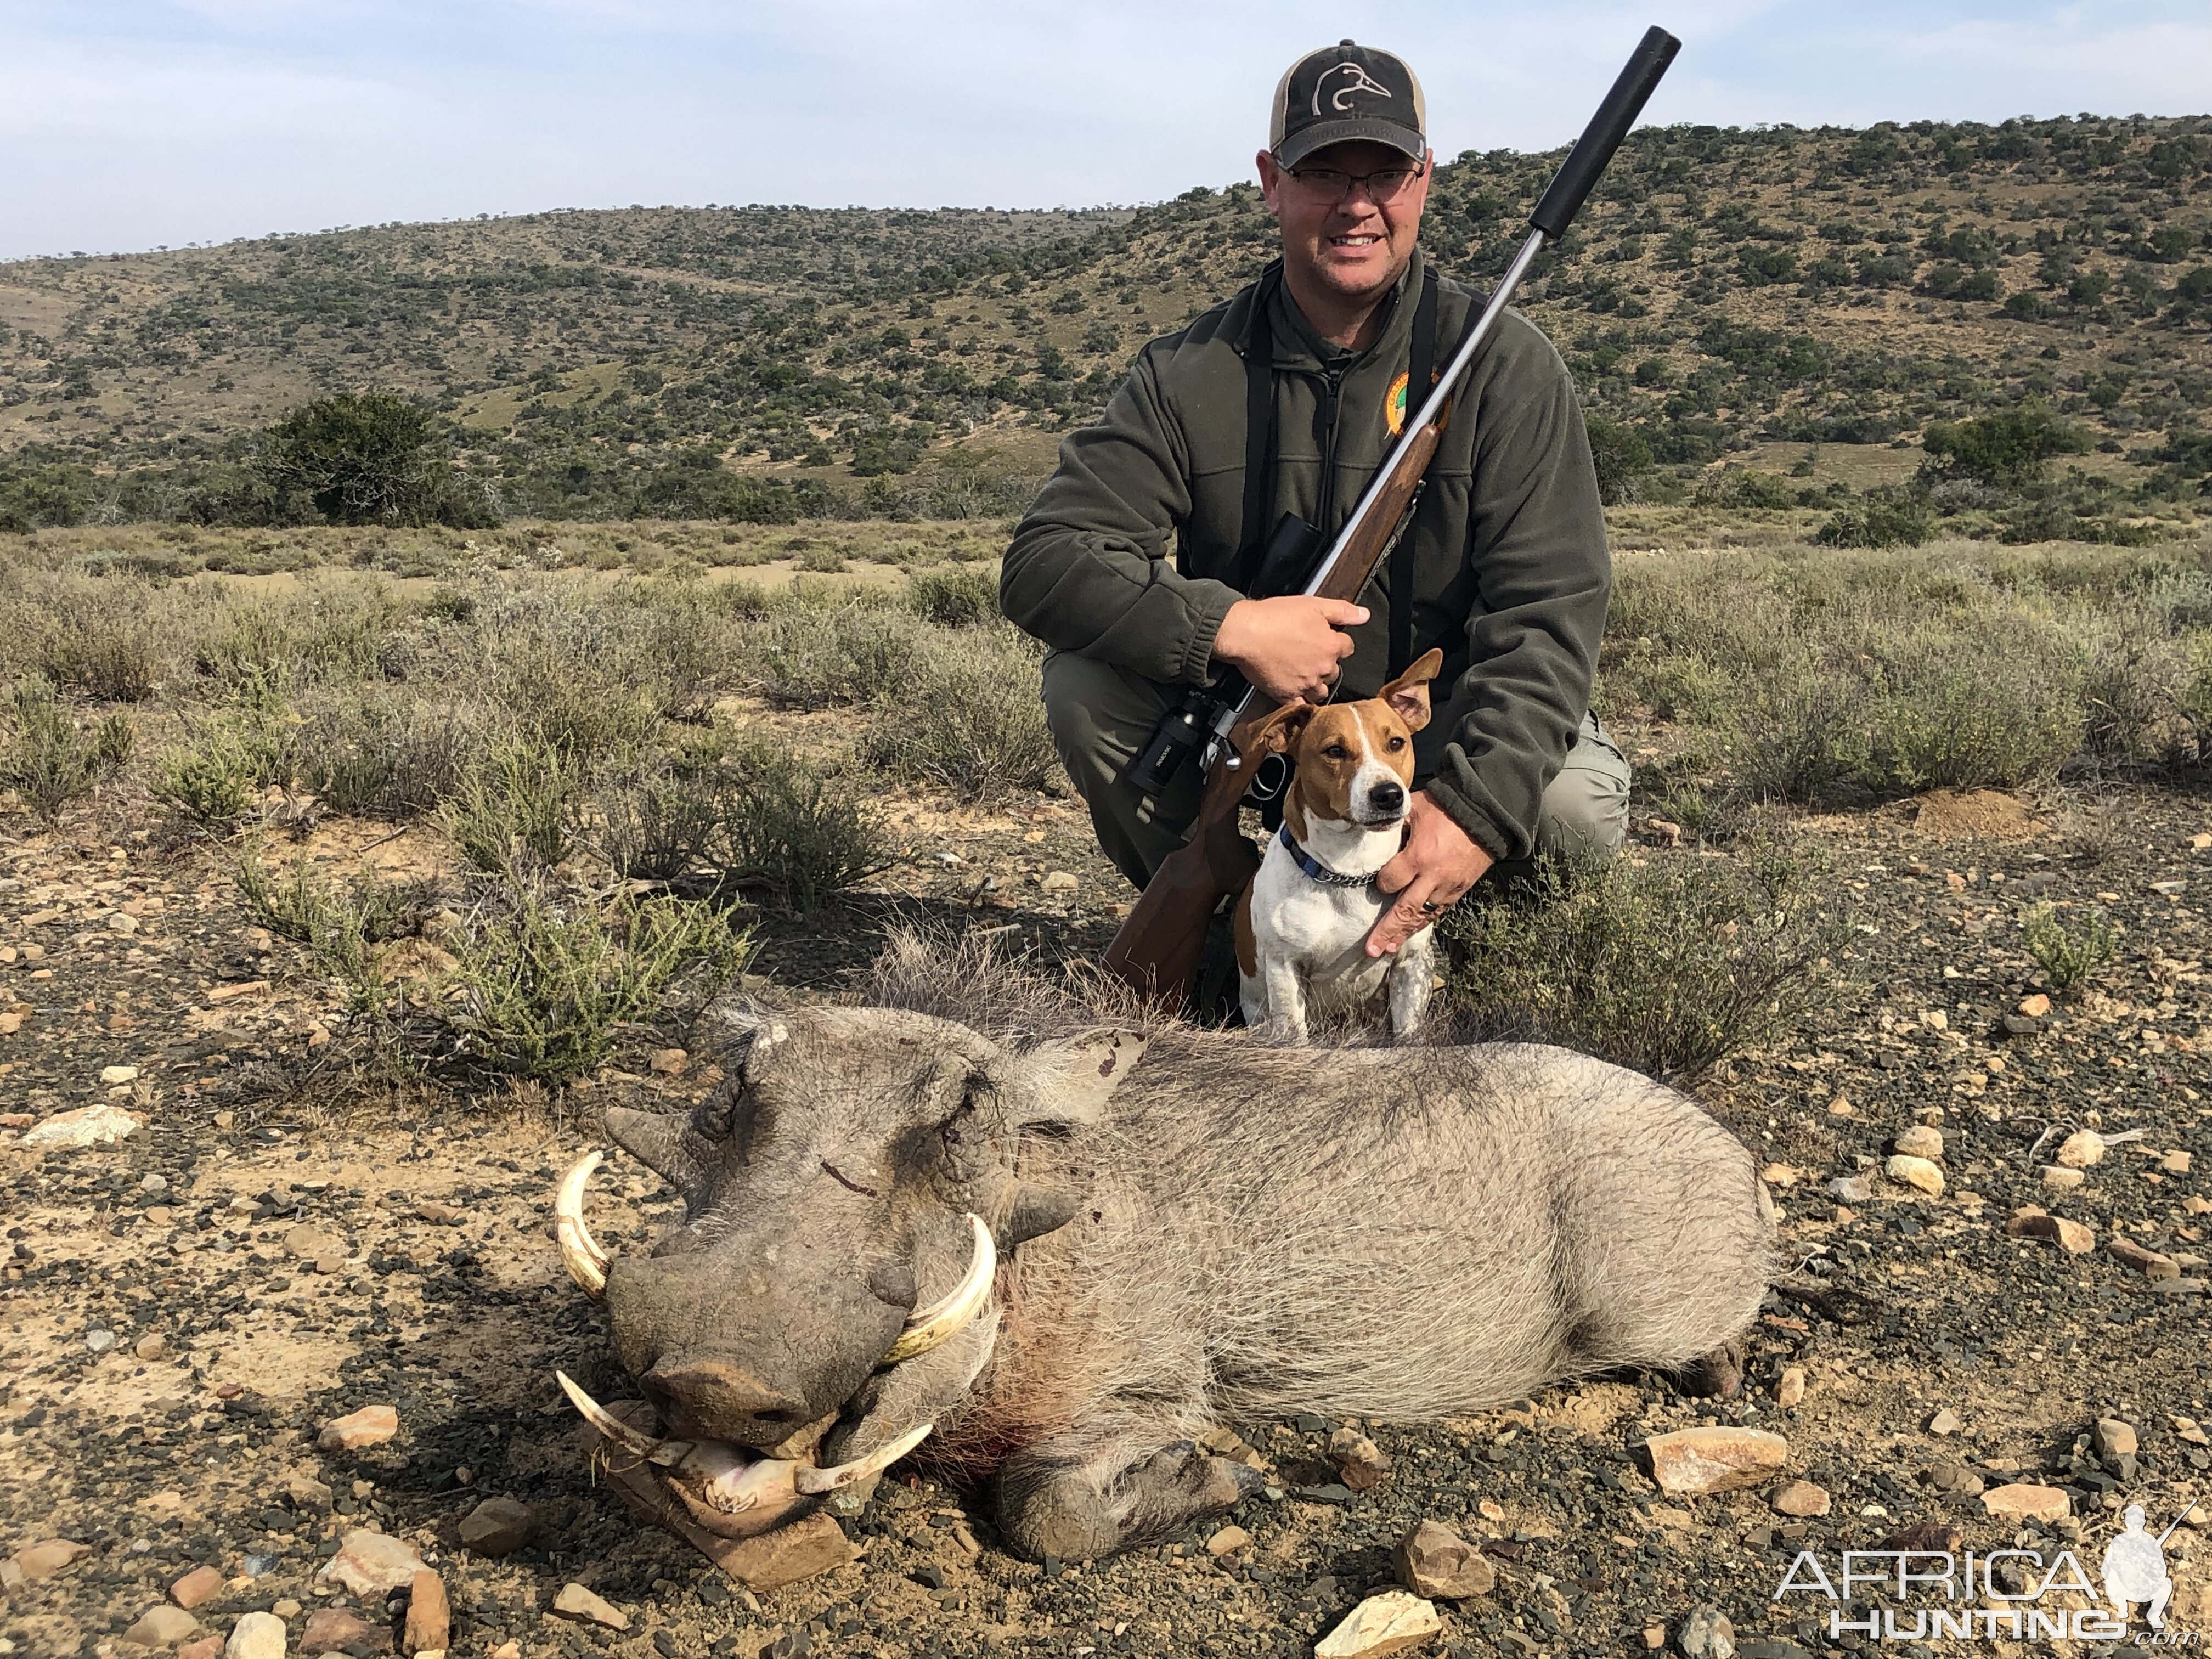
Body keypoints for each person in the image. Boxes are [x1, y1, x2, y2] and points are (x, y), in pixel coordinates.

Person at [1001, 39, 1629, 962]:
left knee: (1573, 804)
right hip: (1261, 728)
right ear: (1271, 181)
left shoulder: (1506, 364)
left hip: (1429, 724)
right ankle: (1234, 966)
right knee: (1084, 689)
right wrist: (1234, 629)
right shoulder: (1185, 372)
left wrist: (1474, 808)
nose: (1356, 204)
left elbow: (1549, 614)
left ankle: (1450, 954)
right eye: (1322, 171)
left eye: (1385, 173)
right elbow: (1047, 560)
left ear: (1424, 178)